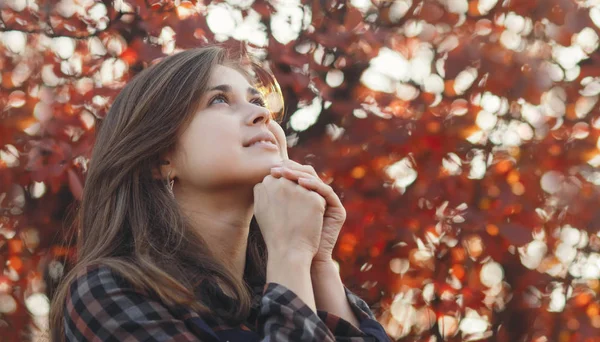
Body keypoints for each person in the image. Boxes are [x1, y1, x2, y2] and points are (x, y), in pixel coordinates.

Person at [48, 45, 390, 341]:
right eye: (220, 100)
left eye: (257, 101)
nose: (261, 114)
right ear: (160, 158)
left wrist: (318, 262)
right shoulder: (107, 291)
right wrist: (289, 255)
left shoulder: (282, 282)